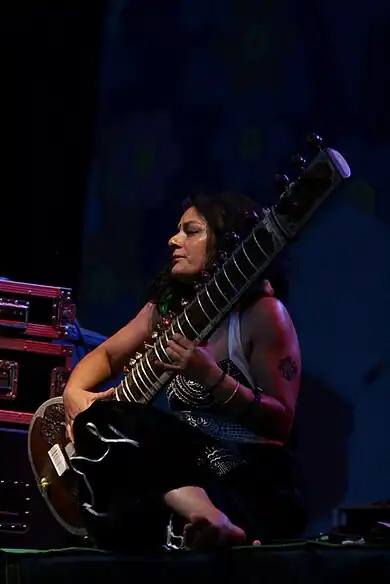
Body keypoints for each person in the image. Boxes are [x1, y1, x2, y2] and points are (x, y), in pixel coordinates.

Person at [64, 193, 307, 552]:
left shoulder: (263, 314)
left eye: (190, 231)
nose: (173, 240)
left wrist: (211, 376)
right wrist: (74, 393)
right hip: (185, 471)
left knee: (129, 433)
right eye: (177, 231)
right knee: (103, 428)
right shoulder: (168, 311)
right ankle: (200, 525)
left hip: (249, 483)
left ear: (227, 241)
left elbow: (281, 423)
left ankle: (213, 521)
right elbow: (108, 355)